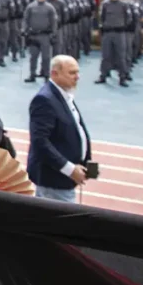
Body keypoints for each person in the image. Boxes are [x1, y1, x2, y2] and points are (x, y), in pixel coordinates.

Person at [27, 55, 91, 203]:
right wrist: (69, 169)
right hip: (54, 180)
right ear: (55, 74)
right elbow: (40, 142)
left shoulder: (63, 94)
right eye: (72, 73)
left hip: (62, 179)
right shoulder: (45, 100)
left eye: (77, 72)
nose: (77, 77)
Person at [96, 0, 131, 87]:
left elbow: (128, 19)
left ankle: (122, 77)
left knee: (121, 56)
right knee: (106, 55)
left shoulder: (124, 5)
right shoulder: (105, 5)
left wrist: (121, 26)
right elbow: (101, 18)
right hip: (108, 32)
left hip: (120, 33)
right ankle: (103, 75)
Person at [23, 0, 57, 82]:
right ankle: (32, 74)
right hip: (33, 35)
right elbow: (26, 19)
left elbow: (54, 22)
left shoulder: (50, 8)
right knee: (33, 56)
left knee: (46, 57)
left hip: (45, 35)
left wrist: (53, 34)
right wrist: (24, 30)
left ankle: (46, 75)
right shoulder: (30, 7)